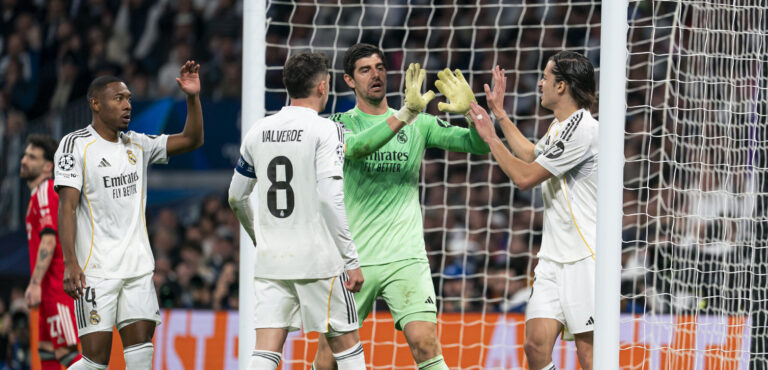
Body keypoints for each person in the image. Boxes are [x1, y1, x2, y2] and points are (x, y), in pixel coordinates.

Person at [312, 43, 490, 370]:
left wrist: (471, 110)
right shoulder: (337, 124)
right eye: (365, 70)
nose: (375, 74)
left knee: (425, 343)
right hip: (353, 258)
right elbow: (358, 147)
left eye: (380, 67)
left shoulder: (418, 124)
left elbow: (478, 145)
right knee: (328, 359)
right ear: (349, 81)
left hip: (405, 256)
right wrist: (404, 115)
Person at [54, 60, 204, 369]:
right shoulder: (75, 146)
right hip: (95, 271)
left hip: (137, 270)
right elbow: (67, 207)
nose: (127, 105)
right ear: (95, 103)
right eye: (118, 98)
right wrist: (71, 263)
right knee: (95, 362)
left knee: (141, 356)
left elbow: (192, 139)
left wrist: (192, 97)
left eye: (129, 99)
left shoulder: (138, 144)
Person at [469, 51, 598, 370]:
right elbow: (530, 154)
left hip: (585, 256)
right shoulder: (561, 126)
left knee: (590, 357)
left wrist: (490, 138)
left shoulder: (582, 129)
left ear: (562, 87)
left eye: (545, 77)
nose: (539, 83)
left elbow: (525, 177)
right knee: (535, 346)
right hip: (554, 257)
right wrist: (499, 114)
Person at [21, 134, 82, 369]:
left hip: (57, 286)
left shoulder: (46, 190)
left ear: (48, 166)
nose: (24, 160)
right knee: (46, 352)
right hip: (47, 289)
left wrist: (34, 283)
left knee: (67, 351)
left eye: (32, 157)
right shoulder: (36, 195)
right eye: (25, 155)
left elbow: (49, 240)